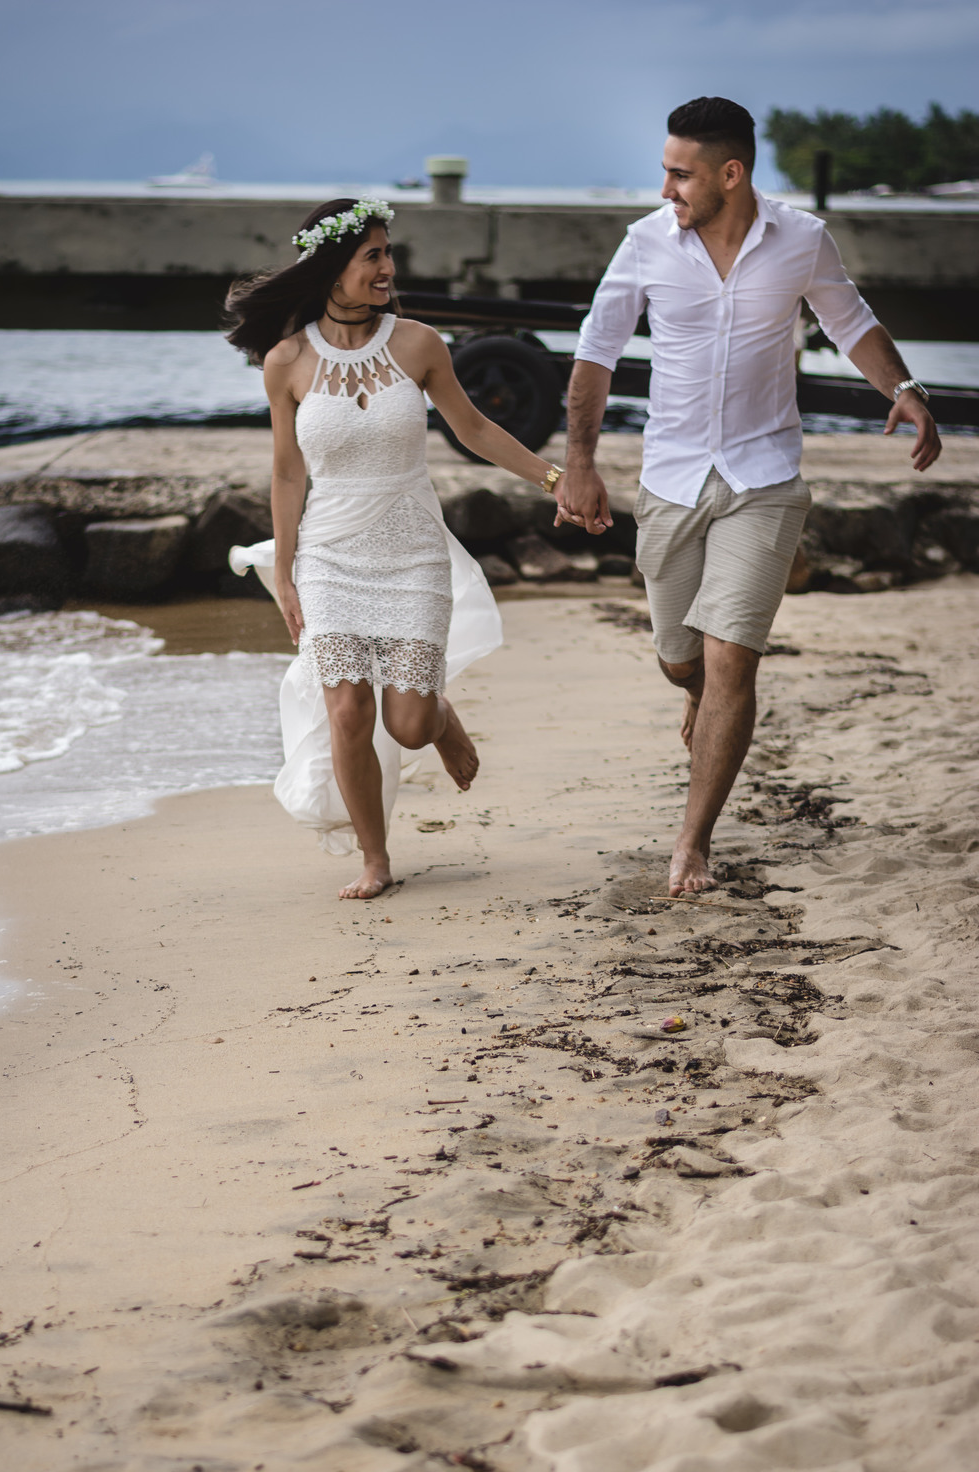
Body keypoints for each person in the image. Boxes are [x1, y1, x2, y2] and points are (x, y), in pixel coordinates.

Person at [556, 96, 941, 897]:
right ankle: (697, 695)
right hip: (670, 478)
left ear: (730, 174)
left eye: (681, 174)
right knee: (682, 661)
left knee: (733, 659)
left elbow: (852, 322)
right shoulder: (645, 243)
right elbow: (596, 353)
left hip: (764, 478)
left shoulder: (802, 239)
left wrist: (903, 389)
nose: (666, 188)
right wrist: (580, 462)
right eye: (665, 171)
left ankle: (692, 843)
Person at [225, 198, 564, 900]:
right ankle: (374, 859)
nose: (388, 268)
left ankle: (439, 719)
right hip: (329, 554)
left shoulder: (418, 344)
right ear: (331, 268)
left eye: (389, 254)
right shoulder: (286, 362)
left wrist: (556, 480)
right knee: (348, 710)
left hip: (412, 550)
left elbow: (474, 429)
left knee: (407, 725)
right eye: (372, 256)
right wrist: (285, 572)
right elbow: (287, 473)